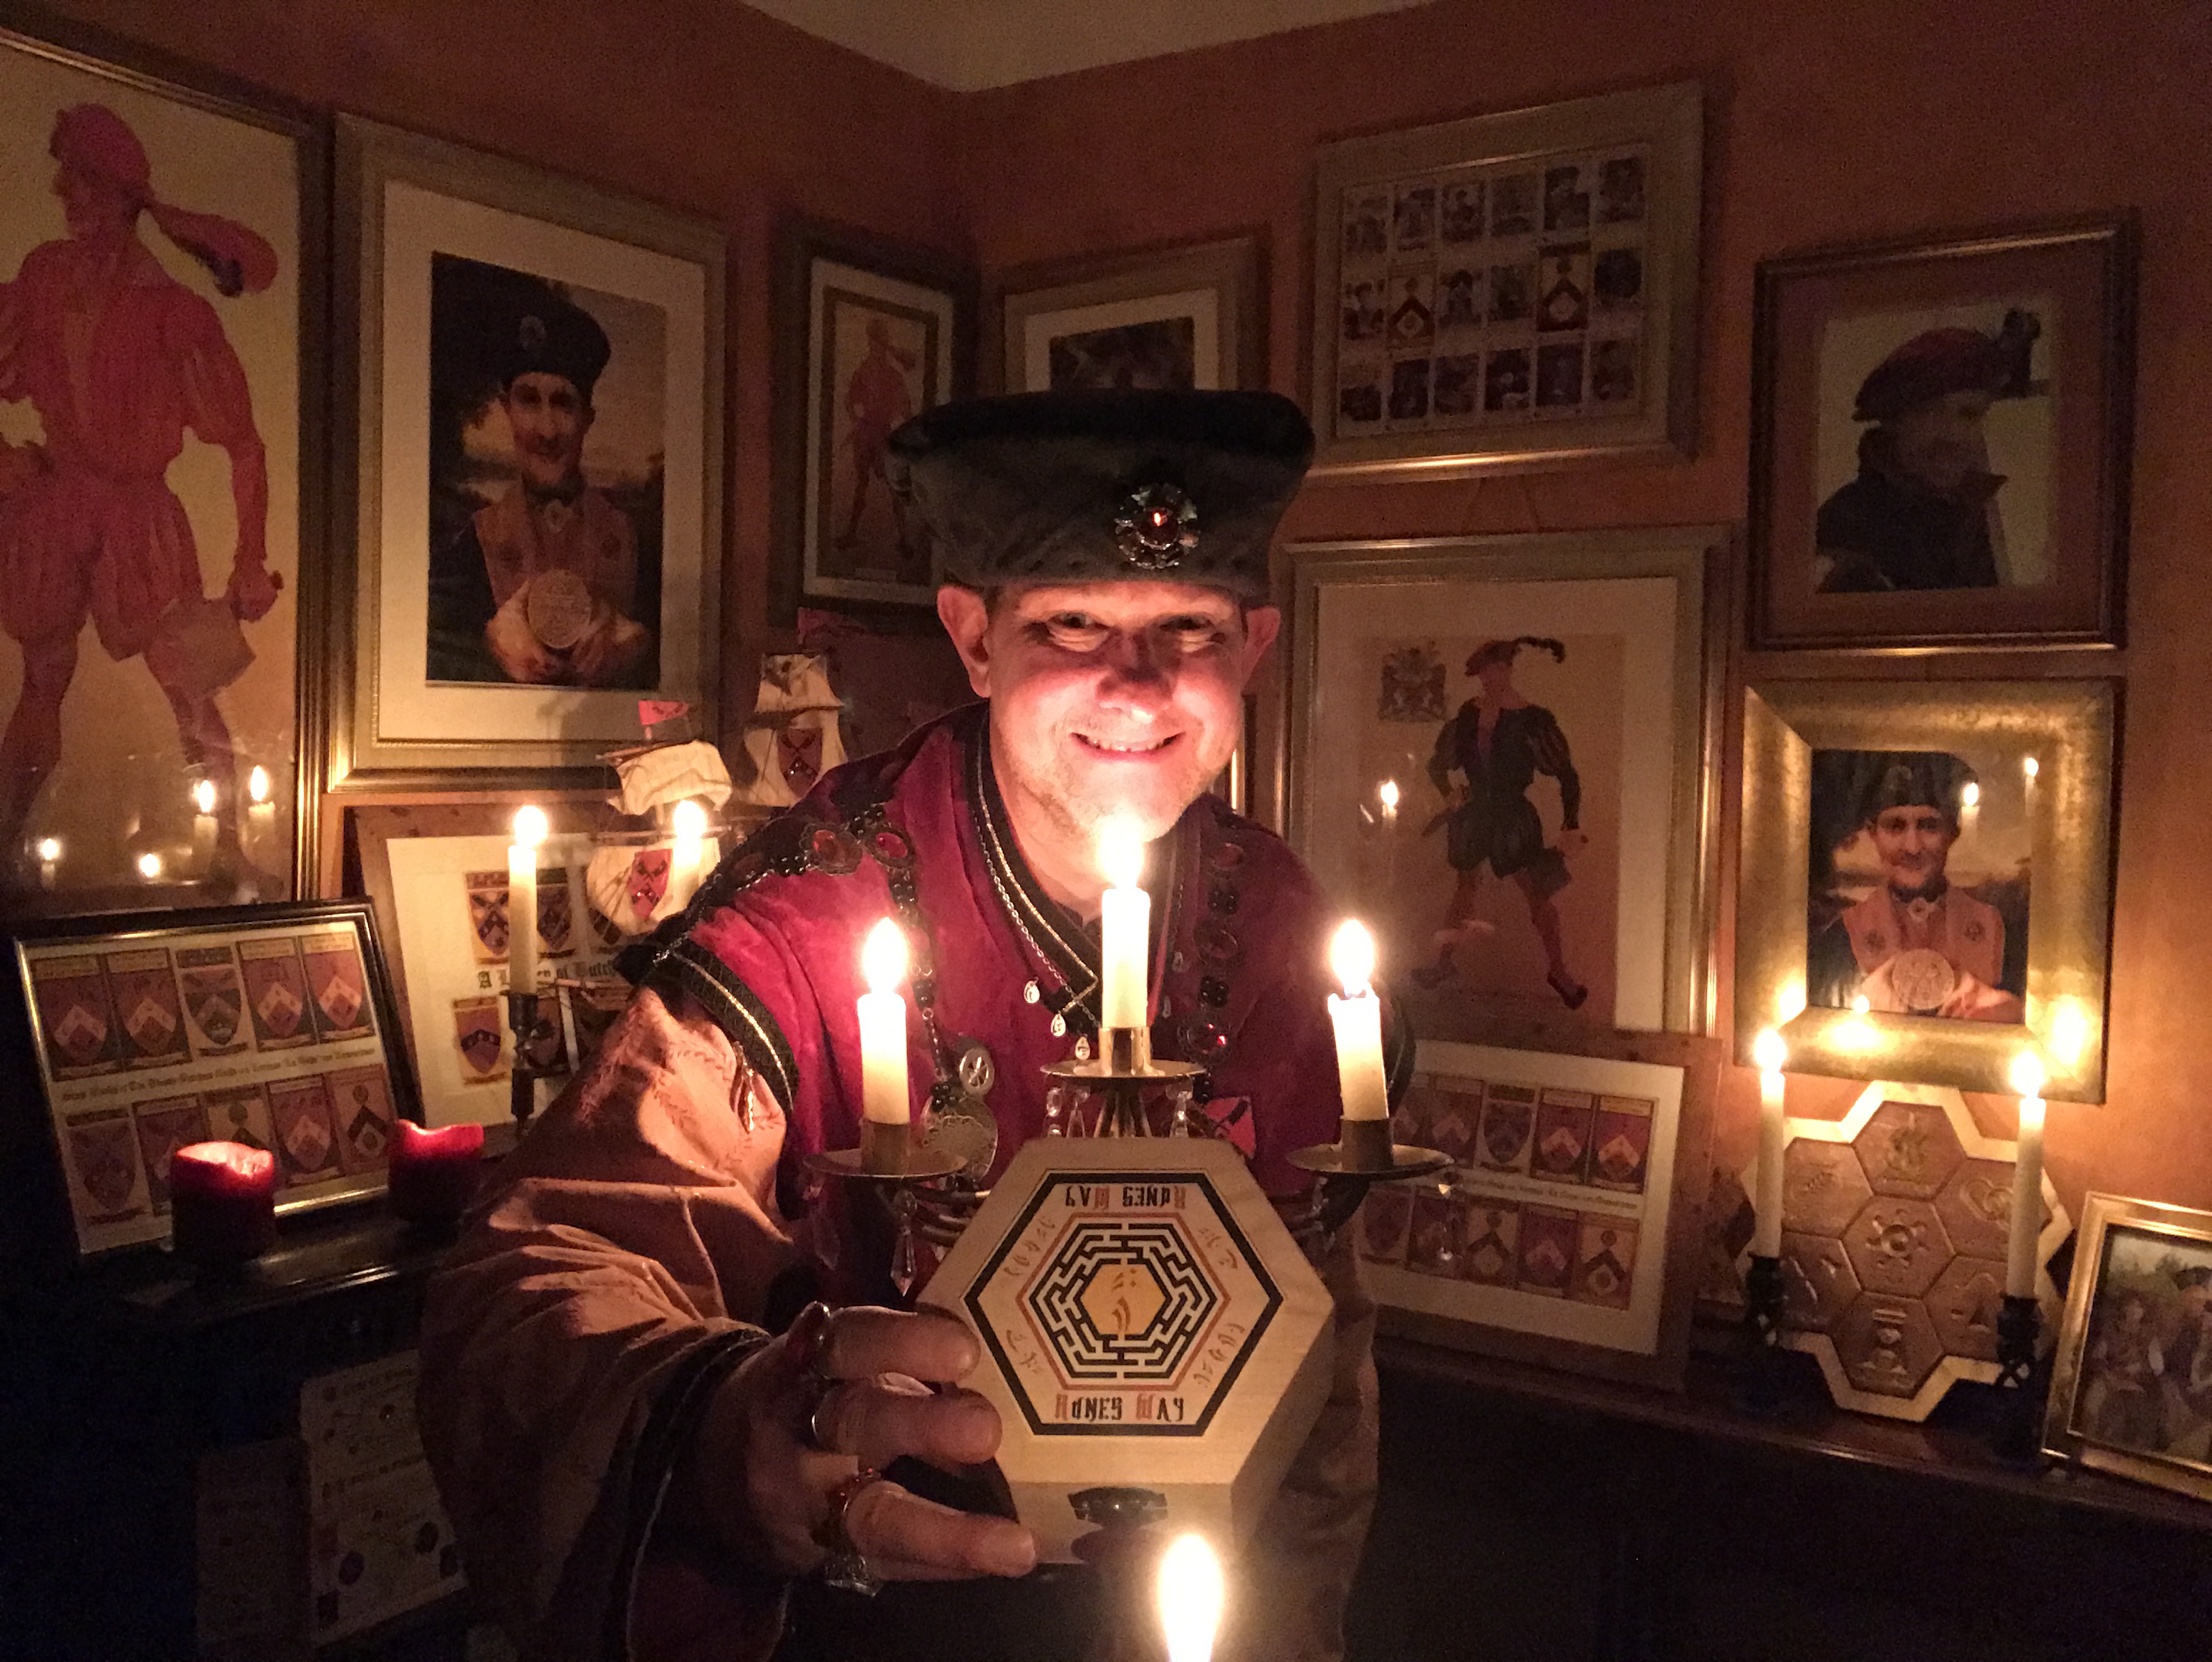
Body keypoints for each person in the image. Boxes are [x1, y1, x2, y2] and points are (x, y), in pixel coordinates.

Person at [419, 390, 1409, 1662]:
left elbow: (1326, 1366)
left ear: (1254, 647)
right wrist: (725, 1436)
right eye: (1071, 623)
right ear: (975, 638)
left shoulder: (1278, 927)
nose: (1137, 682)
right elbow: (543, 1269)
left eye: (1189, 628)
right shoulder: (814, 909)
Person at [0, 103, 282, 876]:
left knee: (188, 688)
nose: (62, 191)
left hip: (140, 518)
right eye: (65, 176)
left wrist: (249, 559)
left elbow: (245, 446)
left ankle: (231, 852)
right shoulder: (43, 276)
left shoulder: (174, 313)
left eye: (80, 178)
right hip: (58, 505)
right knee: (42, 679)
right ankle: (6, 856)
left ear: (119, 193)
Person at [425, 284, 653, 686]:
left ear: (587, 418)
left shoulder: (634, 539)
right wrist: (487, 646)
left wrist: (639, 648)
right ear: (507, 409)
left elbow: (676, 682)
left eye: (563, 404)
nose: (546, 431)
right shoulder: (467, 544)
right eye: (529, 400)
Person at [1412, 637, 1588, 1009]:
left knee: (1536, 893)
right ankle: (1443, 963)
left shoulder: (1533, 719)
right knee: (1465, 889)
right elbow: (1437, 765)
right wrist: (1449, 793)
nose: (1490, 677)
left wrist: (1571, 825)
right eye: (1484, 672)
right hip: (1474, 814)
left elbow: (1567, 775)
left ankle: (1559, 971)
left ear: (1508, 670)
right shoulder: (1468, 715)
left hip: (1513, 818)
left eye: (1497, 669)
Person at [1814, 317, 2038, 593]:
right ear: (1893, 420)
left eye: (1969, 414)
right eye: (1929, 412)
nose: (1953, 435)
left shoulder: (1989, 520)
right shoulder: (1844, 527)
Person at [1807, 754, 2022, 1021]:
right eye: (1895, 826)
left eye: (1928, 826)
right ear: (1873, 833)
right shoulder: (1840, 939)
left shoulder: (1999, 932)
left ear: (1952, 833)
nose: (1912, 847)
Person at [837, 315, 918, 556]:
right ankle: (852, 533)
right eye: (875, 340)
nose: (876, 345)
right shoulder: (864, 372)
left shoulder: (892, 375)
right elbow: (850, 401)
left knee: (893, 487)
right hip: (867, 434)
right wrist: (858, 422)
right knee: (862, 485)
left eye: (879, 340)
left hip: (882, 434)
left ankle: (903, 539)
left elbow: (906, 410)